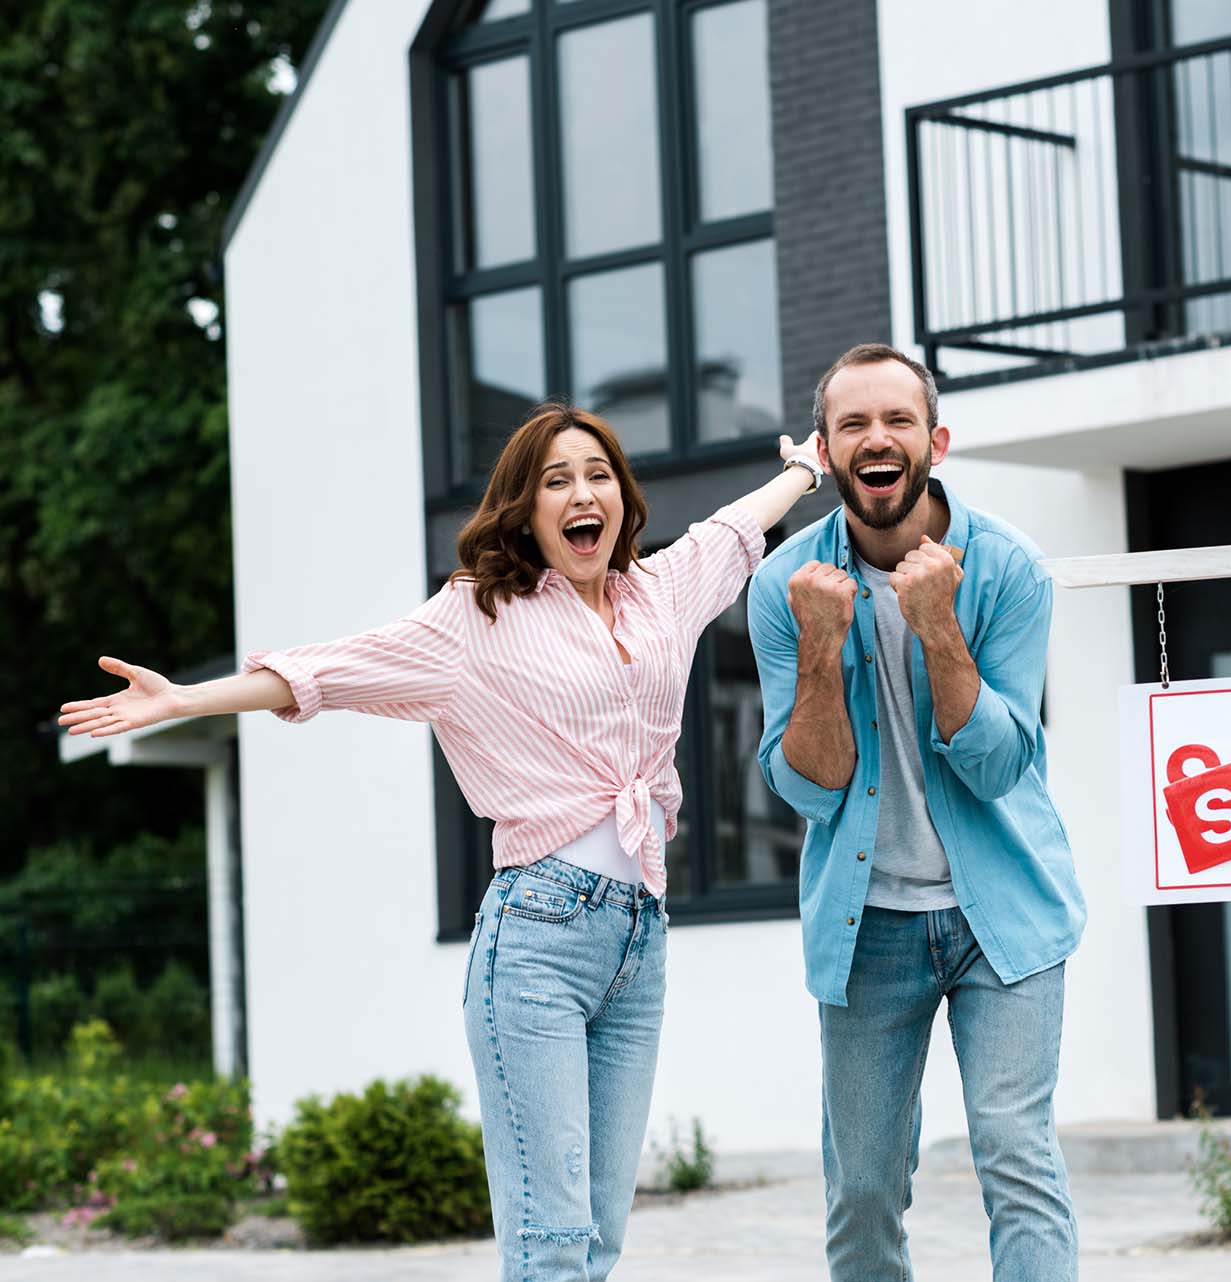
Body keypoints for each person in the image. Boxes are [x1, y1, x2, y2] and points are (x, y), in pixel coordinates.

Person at [59, 402, 826, 1281]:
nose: (583, 494)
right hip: (537, 939)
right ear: (526, 510)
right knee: (552, 1243)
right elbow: (331, 668)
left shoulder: (658, 594)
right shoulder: (477, 618)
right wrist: (186, 700)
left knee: (600, 1238)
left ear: (621, 496)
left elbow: (731, 530)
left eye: (598, 475)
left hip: (639, 942)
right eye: (557, 481)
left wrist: (803, 470)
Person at [747, 343, 1086, 1281]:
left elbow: (996, 766)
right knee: (861, 1188)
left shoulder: (1008, 567)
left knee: (1016, 1158)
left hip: (1004, 913)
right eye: (853, 423)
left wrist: (936, 625)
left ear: (935, 440)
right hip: (868, 929)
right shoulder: (784, 589)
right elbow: (807, 790)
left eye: (897, 419)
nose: (876, 438)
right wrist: (822, 648)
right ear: (825, 449)